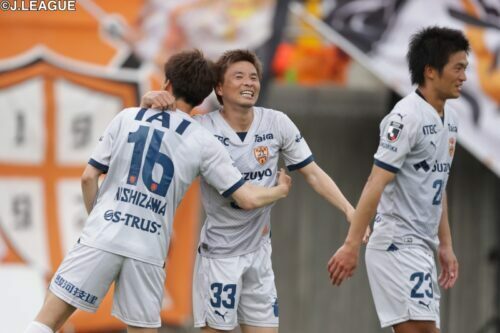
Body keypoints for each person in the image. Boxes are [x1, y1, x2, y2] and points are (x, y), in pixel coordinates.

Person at [23, 49, 292, 333]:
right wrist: (280, 190)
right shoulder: (204, 140)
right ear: (203, 98)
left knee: (46, 322)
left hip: (102, 234)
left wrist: (99, 218)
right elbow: (247, 198)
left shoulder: (128, 117)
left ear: (167, 83)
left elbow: (89, 177)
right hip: (148, 249)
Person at [141, 49, 367, 333]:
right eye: (239, 76)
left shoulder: (277, 123)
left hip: (259, 254)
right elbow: (159, 125)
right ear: (220, 88)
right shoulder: (201, 129)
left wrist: (349, 209)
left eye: (254, 77)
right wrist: (148, 100)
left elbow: (313, 173)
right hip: (219, 257)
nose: (249, 83)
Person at [327, 26, 469, 333]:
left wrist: (445, 244)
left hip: (421, 247)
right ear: (431, 71)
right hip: (397, 246)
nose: (464, 77)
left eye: (465, 68)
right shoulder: (406, 117)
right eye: (458, 68)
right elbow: (375, 182)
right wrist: (351, 245)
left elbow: (437, 182)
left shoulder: (451, 120)